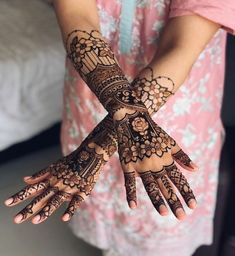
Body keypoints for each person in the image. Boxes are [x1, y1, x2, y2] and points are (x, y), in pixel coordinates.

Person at [5, 0, 235, 256]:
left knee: (157, 225)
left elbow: (179, 46)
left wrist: (92, 152)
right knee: (107, 220)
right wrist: (101, 147)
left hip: (173, 115)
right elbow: (78, 18)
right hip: (91, 102)